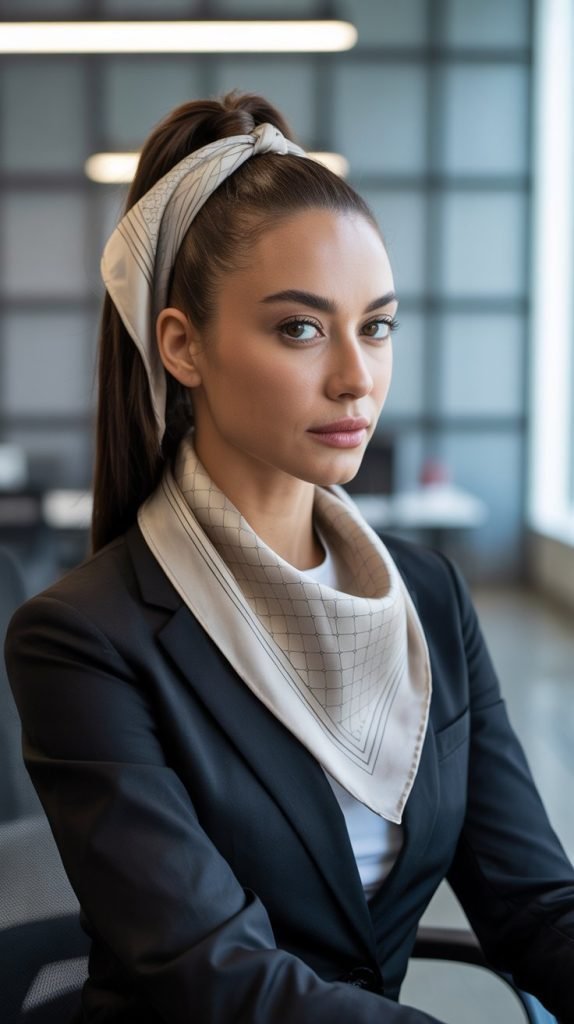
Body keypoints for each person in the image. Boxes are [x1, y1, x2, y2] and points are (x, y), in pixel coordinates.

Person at [4, 92, 574, 1024]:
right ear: (182, 345)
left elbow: (534, 901)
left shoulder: (426, 595)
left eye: (378, 325)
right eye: (300, 328)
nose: (357, 375)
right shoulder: (83, 638)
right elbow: (213, 973)